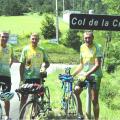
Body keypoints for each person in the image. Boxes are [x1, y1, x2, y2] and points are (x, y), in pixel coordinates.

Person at [72, 31, 103, 120]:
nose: (87, 39)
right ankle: (81, 114)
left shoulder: (97, 47)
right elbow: (81, 65)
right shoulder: (82, 47)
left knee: (94, 100)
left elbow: (97, 65)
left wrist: (86, 74)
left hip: (95, 75)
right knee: (76, 91)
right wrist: (73, 74)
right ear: (83, 38)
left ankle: (96, 119)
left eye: (89, 37)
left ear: (93, 38)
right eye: (86, 38)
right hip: (84, 74)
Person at [19, 33, 50, 110]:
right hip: (27, 77)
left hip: (38, 77)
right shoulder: (25, 49)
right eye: (33, 38)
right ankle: (21, 117)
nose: (34, 40)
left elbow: (47, 62)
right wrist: (21, 79)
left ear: (38, 40)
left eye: (36, 39)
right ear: (30, 39)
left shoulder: (42, 50)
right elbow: (22, 65)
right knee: (24, 98)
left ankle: (35, 114)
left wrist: (44, 67)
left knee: (37, 98)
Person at [0, 32, 14, 120]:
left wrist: (9, 65)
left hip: (6, 75)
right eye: (3, 37)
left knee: (6, 96)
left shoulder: (10, 47)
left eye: (6, 37)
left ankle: (7, 116)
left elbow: (12, 58)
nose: (4, 38)